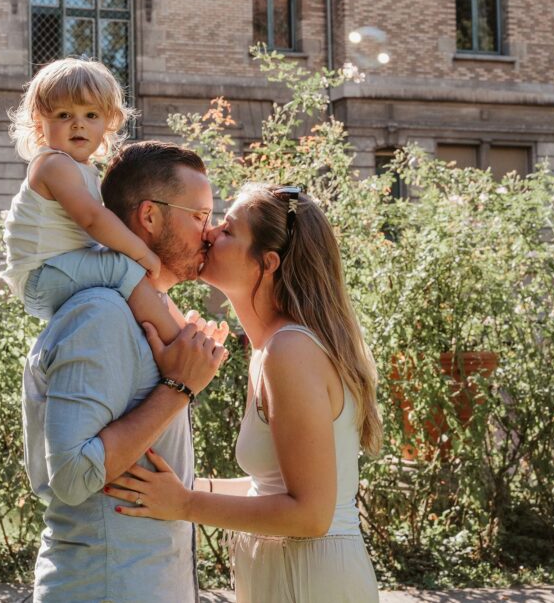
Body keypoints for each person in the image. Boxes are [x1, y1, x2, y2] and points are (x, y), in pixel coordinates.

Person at [106, 183, 384, 602]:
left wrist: (186, 505)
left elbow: (311, 514)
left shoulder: (290, 351)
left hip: (312, 579)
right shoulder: (273, 347)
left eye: (229, 230)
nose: (210, 233)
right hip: (292, 570)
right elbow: (269, 488)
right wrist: (178, 488)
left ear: (267, 263)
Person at [22, 140, 229, 603]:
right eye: (200, 216)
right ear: (150, 216)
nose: (210, 233)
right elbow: (72, 477)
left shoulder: (141, 316)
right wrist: (179, 388)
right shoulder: (100, 314)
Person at [2, 58, 183, 344]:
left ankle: (178, 325)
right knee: (124, 265)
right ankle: (179, 342)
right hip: (41, 276)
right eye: (63, 115)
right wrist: (140, 251)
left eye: (91, 115)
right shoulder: (54, 165)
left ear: (107, 123)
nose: (78, 124)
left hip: (58, 270)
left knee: (125, 266)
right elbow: (93, 219)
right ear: (40, 125)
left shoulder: (82, 169)